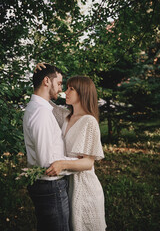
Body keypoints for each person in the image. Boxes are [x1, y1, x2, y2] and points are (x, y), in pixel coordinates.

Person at [45, 75, 107, 231]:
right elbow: (43, 101)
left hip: (86, 190)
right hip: (67, 186)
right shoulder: (65, 116)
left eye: (71, 89)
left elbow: (88, 163)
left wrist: (62, 164)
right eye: (66, 88)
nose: (66, 92)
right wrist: (42, 71)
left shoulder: (89, 122)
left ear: (83, 92)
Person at [23, 63, 76, 231]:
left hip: (46, 186)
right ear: (47, 81)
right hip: (51, 187)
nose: (61, 89)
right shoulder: (41, 113)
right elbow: (47, 162)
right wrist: (78, 162)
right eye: (59, 83)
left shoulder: (40, 107)